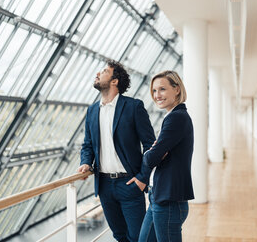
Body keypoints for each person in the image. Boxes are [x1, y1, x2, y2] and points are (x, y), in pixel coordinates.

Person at [78, 59, 155, 242]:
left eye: (103, 71)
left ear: (115, 81)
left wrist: (143, 178)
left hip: (129, 183)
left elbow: (150, 145)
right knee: (119, 235)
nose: (97, 74)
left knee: (138, 237)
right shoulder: (92, 111)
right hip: (104, 185)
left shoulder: (133, 107)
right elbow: (87, 144)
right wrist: (85, 162)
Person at [138, 70, 194, 242]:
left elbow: (151, 159)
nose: (157, 95)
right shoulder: (173, 116)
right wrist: (155, 151)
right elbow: (157, 155)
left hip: (169, 201)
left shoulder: (176, 118)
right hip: (159, 197)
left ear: (177, 89)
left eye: (162, 89)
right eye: (154, 91)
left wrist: (149, 152)